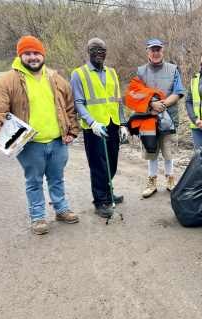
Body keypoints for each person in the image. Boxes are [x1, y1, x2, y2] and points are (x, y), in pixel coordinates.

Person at [0, 36, 80, 235]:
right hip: (29, 144)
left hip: (58, 142)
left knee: (57, 178)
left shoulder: (55, 78)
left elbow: (69, 107)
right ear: (20, 55)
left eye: (36, 53)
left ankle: (61, 209)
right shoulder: (8, 81)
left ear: (43, 55)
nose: (33, 57)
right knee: (34, 181)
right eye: (28, 53)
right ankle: (37, 217)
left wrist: (72, 131)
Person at [70, 38, 127, 219]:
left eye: (102, 49)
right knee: (98, 165)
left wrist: (123, 123)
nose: (99, 52)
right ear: (88, 51)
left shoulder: (111, 73)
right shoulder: (79, 74)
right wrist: (92, 122)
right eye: (95, 49)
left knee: (111, 163)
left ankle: (108, 192)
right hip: (94, 128)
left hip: (111, 125)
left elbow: (117, 100)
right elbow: (78, 103)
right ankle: (100, 201)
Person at [130, 39, 184, 198]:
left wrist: (161, 104)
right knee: (151, 151)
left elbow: (178, 92)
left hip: (168, 118)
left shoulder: (173, 69)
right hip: (148, 118)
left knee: (168, 152)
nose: (155, 53)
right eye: (152, 50)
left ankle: (170, 180)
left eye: (158, 50)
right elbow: (136, 93)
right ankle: (152, 182)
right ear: (147, 53)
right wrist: (151, 105)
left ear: (163, 52)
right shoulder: (141, 71)